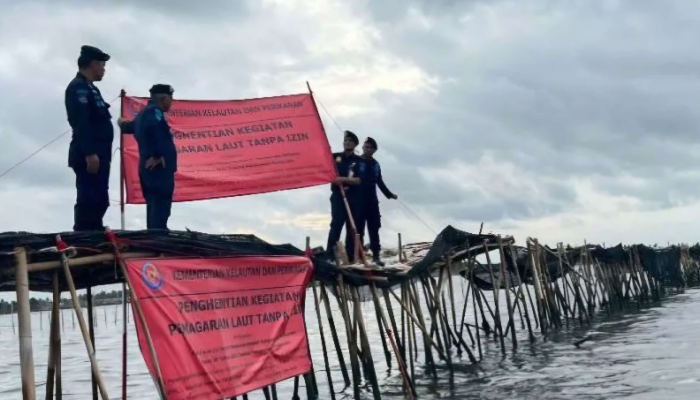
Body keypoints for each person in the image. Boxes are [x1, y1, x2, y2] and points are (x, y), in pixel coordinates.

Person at [65, 45, 113, 231]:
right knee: (89, 198)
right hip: (89, 153)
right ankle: (85, 235)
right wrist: (90, 152)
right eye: (101, 64)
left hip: (100, 153)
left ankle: (94, 231)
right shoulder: (78, 88)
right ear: (90, 64)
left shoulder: (90, 88)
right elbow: (81, 122)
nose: (103, 69)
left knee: (100, 198)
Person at [132, 84, 177, 230]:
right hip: (158, 168)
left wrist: (122, 123)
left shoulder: (143, 113)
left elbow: (130, 128)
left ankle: (154, 234)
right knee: (160, 205)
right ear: (164, 98)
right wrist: (157, 154)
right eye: (171, 99)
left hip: (149, 168)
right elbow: (153, 131)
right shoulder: (154, 112)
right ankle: (158, 237)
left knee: (154, 205)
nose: (171, 103)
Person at [357, 137, 397, 266]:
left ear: (374, 150)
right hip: (358, 202)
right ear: (362, 148)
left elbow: (379, 181)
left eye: (370, 148)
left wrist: (389, 194)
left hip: (372, 202)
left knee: (374, 229)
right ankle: (360, 256)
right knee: (359, 230)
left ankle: (376, 256)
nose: (367, 149)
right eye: (365, 147)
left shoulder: (376, 164)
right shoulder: (357, 162)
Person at [326, 131, 364, 262]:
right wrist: (334, 179)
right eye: (346, 141)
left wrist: (343, 179)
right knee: (336, 224)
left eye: (350, 141)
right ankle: (330, 255)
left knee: (352, 226)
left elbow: (360, 180)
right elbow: (326, 172)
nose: (348, 143)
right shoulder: (334, 157)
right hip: (338, 196)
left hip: (354, 197)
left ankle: (351, 256)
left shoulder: (360, 161)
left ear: (355, 144)